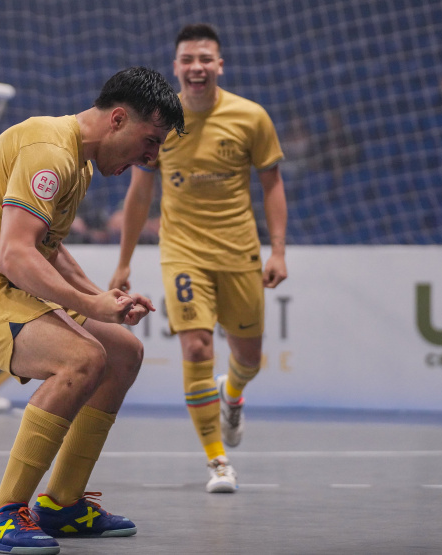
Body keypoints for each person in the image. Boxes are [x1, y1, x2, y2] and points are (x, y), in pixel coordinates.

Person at [0, 66, 185, 554]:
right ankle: (1, 513)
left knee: (123, 351)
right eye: (150, 141)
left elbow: (48, 247)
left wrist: (106, 304)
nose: (151, 157)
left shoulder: (79, 161)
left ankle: (63, 504)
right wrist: (89, 304)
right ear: (117, 119)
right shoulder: (49, 148)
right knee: (81, 358)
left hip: (7, 288)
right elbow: (16, 254)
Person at [109, 23, 288, 494]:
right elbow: (139, 192)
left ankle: (233, 393)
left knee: (249, 358)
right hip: (183, 252)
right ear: (176, 67)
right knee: (196, 349)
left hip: (239, 252)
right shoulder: (160, 122)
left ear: (219, 66)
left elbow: (272, 184)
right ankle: (218, 462)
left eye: (205, 59)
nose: (196, 67)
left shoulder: (251, 118)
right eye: (188, 59)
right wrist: (125, 261)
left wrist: (278, 251)